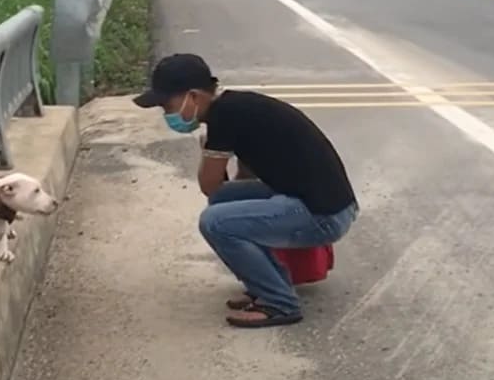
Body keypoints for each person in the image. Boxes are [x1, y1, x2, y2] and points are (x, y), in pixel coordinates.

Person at [133, 53, 358, 328]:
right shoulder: (238, 107)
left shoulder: (223, 118)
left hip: (323, 216)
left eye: (168, 105)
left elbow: (209, 184)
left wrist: (208, 151)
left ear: (193, 96)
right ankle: (267, 283)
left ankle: (279, 303)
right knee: (224, 204)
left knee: (214, 222)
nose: (167, 114)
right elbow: (235, 182)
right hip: (327, 205)